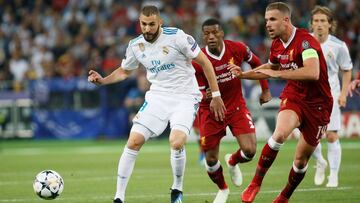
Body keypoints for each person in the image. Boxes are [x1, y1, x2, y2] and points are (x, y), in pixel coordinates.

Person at [88, 6, 226, 203]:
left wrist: (216, 95)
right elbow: (124, 71)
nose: (147, 28)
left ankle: (177, 188)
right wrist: (102, 80)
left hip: (185, 97)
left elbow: (205, 63)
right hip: (158, 97)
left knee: (176, 142)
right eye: (144, 24)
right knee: (133, 141)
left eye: (151, 24)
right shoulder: (135, 45)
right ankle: (119, 197)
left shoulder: (177, 36)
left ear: (160, 22)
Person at [228, 2, 333, 202]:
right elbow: (270, 66)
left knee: (301, 161)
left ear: (286, 20)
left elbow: (313, 72)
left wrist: (277, 73)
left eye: (273, 19)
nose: (267, 24)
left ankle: (284, 196)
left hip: (319, 105)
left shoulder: (306, 42)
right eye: (266, 20)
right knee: (279, 135)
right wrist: (243, 75)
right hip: (294, 95)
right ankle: (255, 183)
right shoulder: (277, 44)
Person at [193, 18, 271, 203]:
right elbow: (198, 92)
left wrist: (265, 88)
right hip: (210, 111)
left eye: (214, 32)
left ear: (222, 33)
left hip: (235, 106)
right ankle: (222, 189)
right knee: (210, 160)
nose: (211, 37)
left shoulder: (238, 48)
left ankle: (232, 161)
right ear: (203, 36)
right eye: (206, 33)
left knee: (250, 150)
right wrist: (208, 95)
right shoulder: (197, 60)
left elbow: (257, 63)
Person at [309, 5, 353, 188]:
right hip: (308, 96)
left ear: (330, 24)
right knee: (309, 138)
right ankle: (320, 160)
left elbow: (347, 69)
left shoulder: (338, 45)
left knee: (331, 136)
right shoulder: (304, 42)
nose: (319, 25)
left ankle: (333, 176)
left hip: (330, 96)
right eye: (316, 21)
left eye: (323, 21)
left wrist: (343, 94)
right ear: (311, 24)